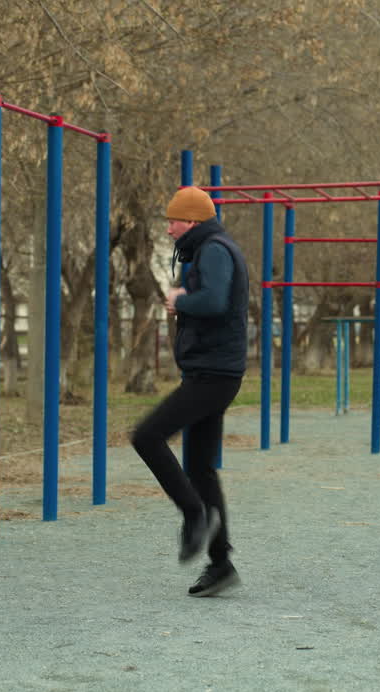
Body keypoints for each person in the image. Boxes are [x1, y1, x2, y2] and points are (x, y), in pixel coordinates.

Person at [130, 185, 249, 598]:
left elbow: (215, 300)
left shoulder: (215, 248)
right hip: (209, 371)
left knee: (146, 435)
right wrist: (185, 299)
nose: (168, 230)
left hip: (214, 375)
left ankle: (193, 512)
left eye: (173, 221)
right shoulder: (207, 249)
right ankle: (221, 565)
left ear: (193, 221)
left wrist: (182, 299)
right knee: (199, 467)